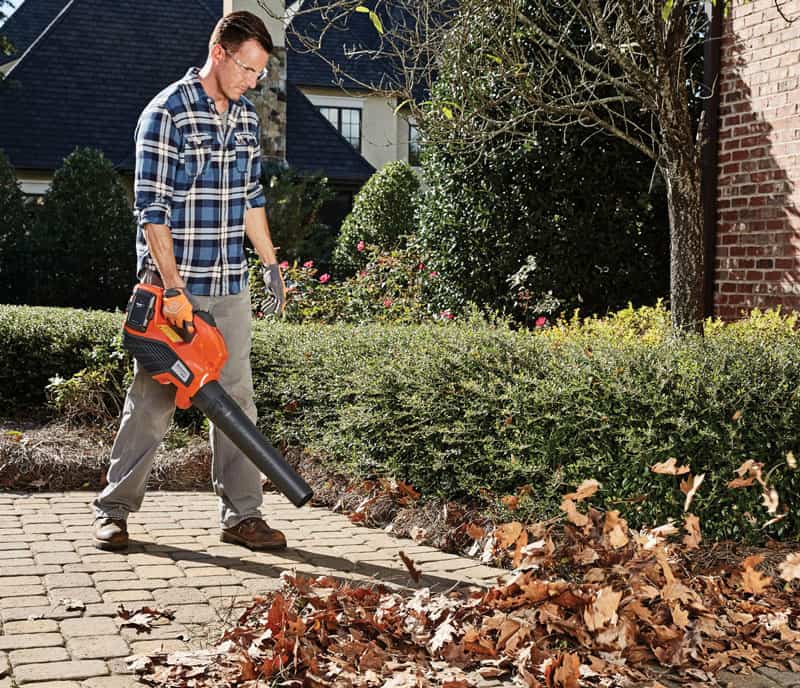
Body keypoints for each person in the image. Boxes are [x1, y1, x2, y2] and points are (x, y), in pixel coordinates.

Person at [92, 11, 288, 552]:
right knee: (154, 402)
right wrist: (174, 290)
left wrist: (270, 263)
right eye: (248, 69)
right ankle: (114, 509)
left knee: (237, 402)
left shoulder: (247, 118)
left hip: (229, 282)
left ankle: (242, 516)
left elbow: (252, 198)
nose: (254, 81)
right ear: (219, 52)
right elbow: (151, 210)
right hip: (174, 290)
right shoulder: (167, 113)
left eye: (260, 74)